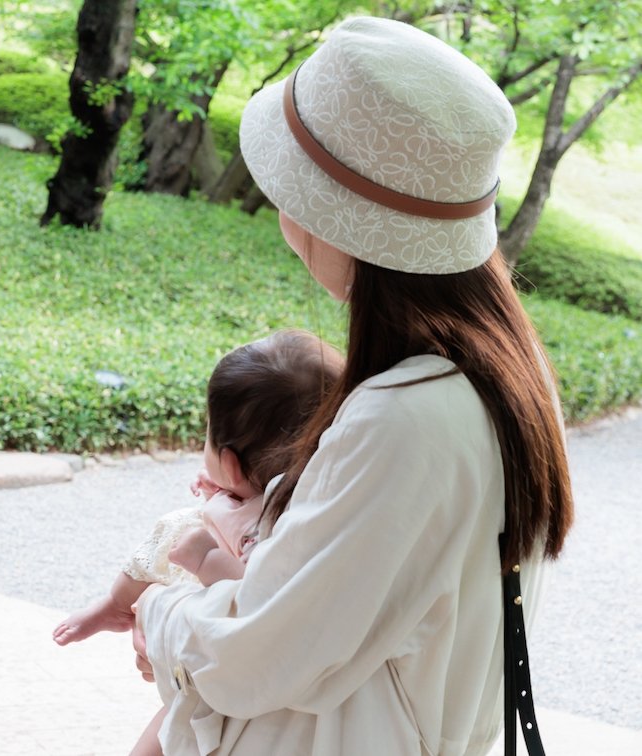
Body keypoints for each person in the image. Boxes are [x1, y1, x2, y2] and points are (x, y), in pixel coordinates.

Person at [132, 17, 574, 756]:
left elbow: (262, 653)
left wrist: (160, 614)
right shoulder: (505, 373)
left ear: (334, 218)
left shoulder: (404, 418)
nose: (286, 213)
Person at [55, 330, 344, 756]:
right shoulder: (326, 496)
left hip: (222, 675)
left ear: (230, 462)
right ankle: (114, 604)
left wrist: (205, 556)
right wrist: (226, 491)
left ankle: (116, 604)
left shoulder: (269, 522)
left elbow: (254, 591)